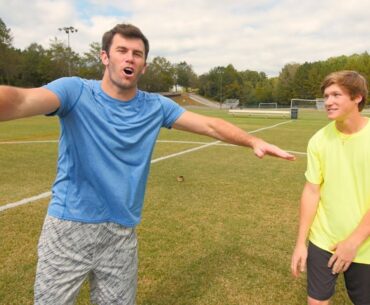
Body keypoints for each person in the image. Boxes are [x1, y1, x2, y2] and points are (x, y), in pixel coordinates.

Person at [0, 23, 295, 305]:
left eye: (137, 54)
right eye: (122, 50)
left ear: (144, 65)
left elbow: (211, 126)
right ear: (104, 57)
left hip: (120, 233)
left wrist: (253, 141)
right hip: (68, 228)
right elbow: (20, 100)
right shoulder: (75, 91)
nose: (129, 57)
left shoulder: (155, 106)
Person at [291, 70, 370, 305]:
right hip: (323, 239)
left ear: (357, 97)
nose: (328, 102)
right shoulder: (318, 140)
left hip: (364, 245)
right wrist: (300, 244)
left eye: (336, 94)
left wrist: (353, 241)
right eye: (326, 96)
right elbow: (311, 191)